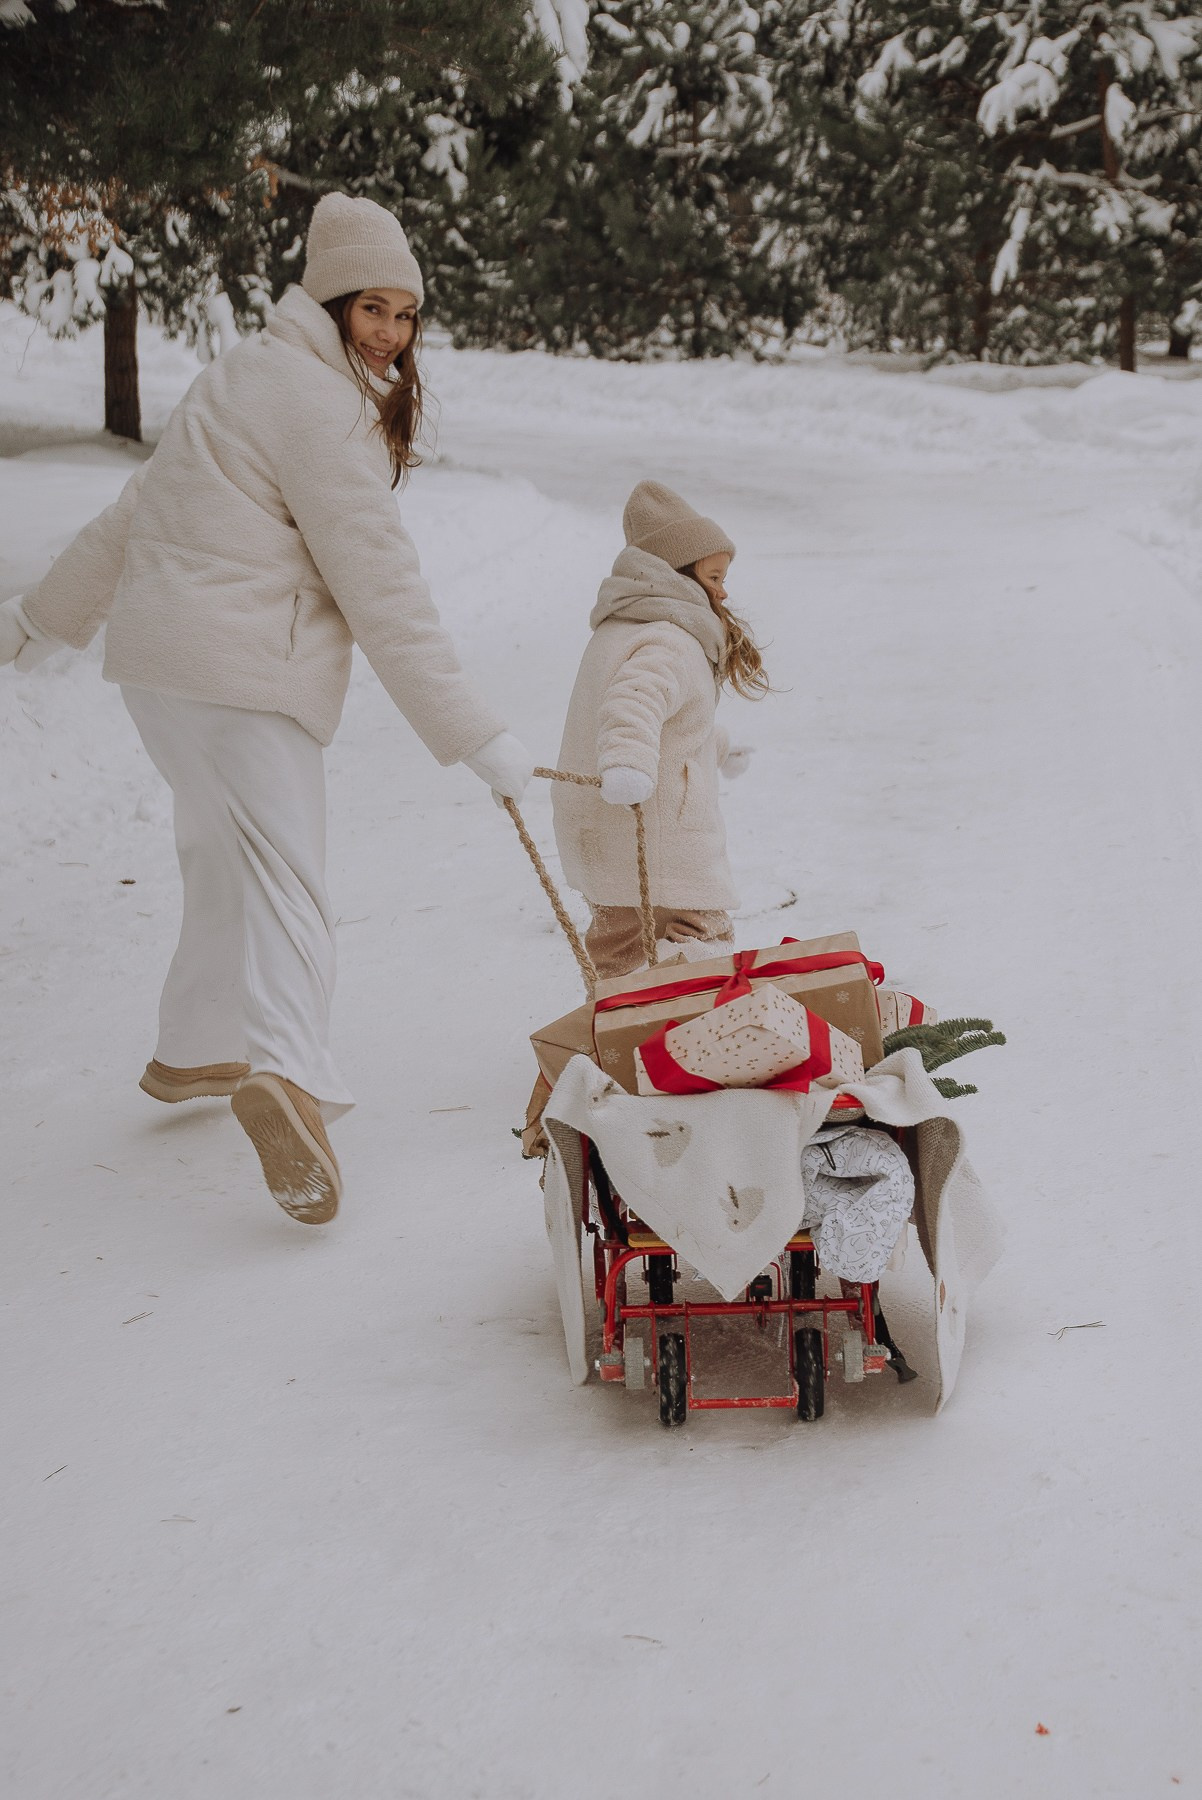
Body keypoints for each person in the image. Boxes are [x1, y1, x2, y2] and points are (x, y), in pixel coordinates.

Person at [0, 193, 531, 1225]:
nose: (389, 333)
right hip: (245, 674)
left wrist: (39, 620)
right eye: (370, 308)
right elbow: (383, 590)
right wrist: (476, 736)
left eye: (404, 314)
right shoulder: (322, 407)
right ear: (328, 301)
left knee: (219, 855)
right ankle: (287, 1076)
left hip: (158, 671)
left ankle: (198, 1049)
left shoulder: (238, 373)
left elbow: (132, 513)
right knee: (290, 884)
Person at [552, 479, 767, 981]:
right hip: (661, 843)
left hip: (607, 837)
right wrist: (627, 762)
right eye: (714, 576)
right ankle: (693, 1025)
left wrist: (720, 748)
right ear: (677, 572)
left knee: (619, 953)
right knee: (702, 945)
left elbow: (672, 728)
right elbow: (634, 704)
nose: (723, 590)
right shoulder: (669, 639)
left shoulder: (621, 627)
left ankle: (615, 1021)